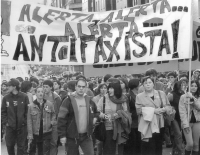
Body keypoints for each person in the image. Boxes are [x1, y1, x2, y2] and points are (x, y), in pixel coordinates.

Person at [57, 77, 99, 155]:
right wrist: (62, 136)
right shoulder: (67, 100)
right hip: (72, 137)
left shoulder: (89, 100)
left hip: (86, 136)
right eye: (79, 86)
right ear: (75, 87)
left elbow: (96, 112)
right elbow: (61, 119)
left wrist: (95, 118)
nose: (81, 89)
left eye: (83, 87)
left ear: (86, 88)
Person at [135, 76, 172, 155]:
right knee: (148, 146)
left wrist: (163, 109)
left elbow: (168, 106)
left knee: (158, 146)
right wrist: (154, 111)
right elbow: (138, 110)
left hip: (160, 123)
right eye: (145, 83)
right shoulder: (139, 96)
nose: (148, 85)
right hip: (147, 124)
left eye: (149, 82)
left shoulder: (161, 93)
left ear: (153, 84)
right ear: (143, 85)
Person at [97, 78, 131, 155]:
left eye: (112, 88)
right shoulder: (104, 98)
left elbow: (127, 113)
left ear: (117, 89)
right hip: (107, 128)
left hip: (121, 128)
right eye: (109, 88)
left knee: (119, 149)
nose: (110, 90)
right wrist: (102, 115)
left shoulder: (123, 99)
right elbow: (97, 111)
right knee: (108, 149)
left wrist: (119, 114)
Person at [1, 78, 29, 155]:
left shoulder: (24, 96)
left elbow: (27, 111)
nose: (7, 88)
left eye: (9, 86)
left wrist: (24, 121)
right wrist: (6, 122)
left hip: (22, 127)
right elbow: (3, 112)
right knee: (9, 145)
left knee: (21, 146)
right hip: (10, 127)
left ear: (14, 87)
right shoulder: (6, 98)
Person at [27, 86, 57, 155]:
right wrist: (30, 134)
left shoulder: (49, 104)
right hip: (36, 132)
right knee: (34, 150)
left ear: (44, 93)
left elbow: (53, 114)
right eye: (38, 92)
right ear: (36, 94)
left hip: (46, 131)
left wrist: (52, 122)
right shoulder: (31, 106)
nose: (40, 93)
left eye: (42, 92)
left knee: (45, 150)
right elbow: (29, 121)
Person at [179, 80, 200, 155]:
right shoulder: (183, 97)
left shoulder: (198, 97)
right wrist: (185, 125)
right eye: (192, 85)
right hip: (187, 122)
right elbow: (182, 112)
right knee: (190, 144)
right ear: (188, 86)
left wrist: (193, 98)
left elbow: (199, 107)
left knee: (196, 144)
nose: (193, 88)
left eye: (195, 86)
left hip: (197, 122)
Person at [43, 80, 62, 155]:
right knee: (45, 144)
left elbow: (60, 111)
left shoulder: (57, 98)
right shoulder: (41, 96)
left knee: (53, 142)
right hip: (44, 123)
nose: (45, 89)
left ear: (51, 87)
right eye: (43, 87)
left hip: (54, 123)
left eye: (46, 87)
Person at [168, 81, 186, 155]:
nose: (183, 86)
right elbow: (166, 104)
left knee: (177, 134)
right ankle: (181, 151)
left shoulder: (184, 94)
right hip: (174, 117)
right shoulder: (171, 94)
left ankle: (174, 151)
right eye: (182, 85)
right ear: (178, 86)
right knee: (178, 134)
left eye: (184, 85)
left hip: (181, 116)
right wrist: (171, 108)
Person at [92, 83, 107, 155]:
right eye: (102, 88)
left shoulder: (110, 98)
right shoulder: (95, 98)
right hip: (99, 122)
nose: (103, 89)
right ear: (99, 89)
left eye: (105, 88)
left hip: (108, 122)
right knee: (99, 141)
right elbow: (96, 111)